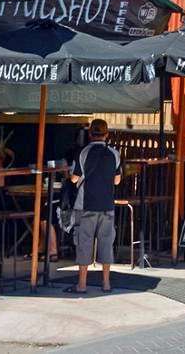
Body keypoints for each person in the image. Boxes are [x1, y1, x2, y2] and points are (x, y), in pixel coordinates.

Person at [66, 119, 121, 294]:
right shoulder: (114, 153)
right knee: (106, 243)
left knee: (84, 243)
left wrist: (69, 174)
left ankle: (82, 285)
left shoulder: (83, 152)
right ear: (107, 134)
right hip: (107, 204)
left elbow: (74, 179)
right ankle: (106, 283)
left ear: (90, 134)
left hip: (86, 204)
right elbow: (117, 180)